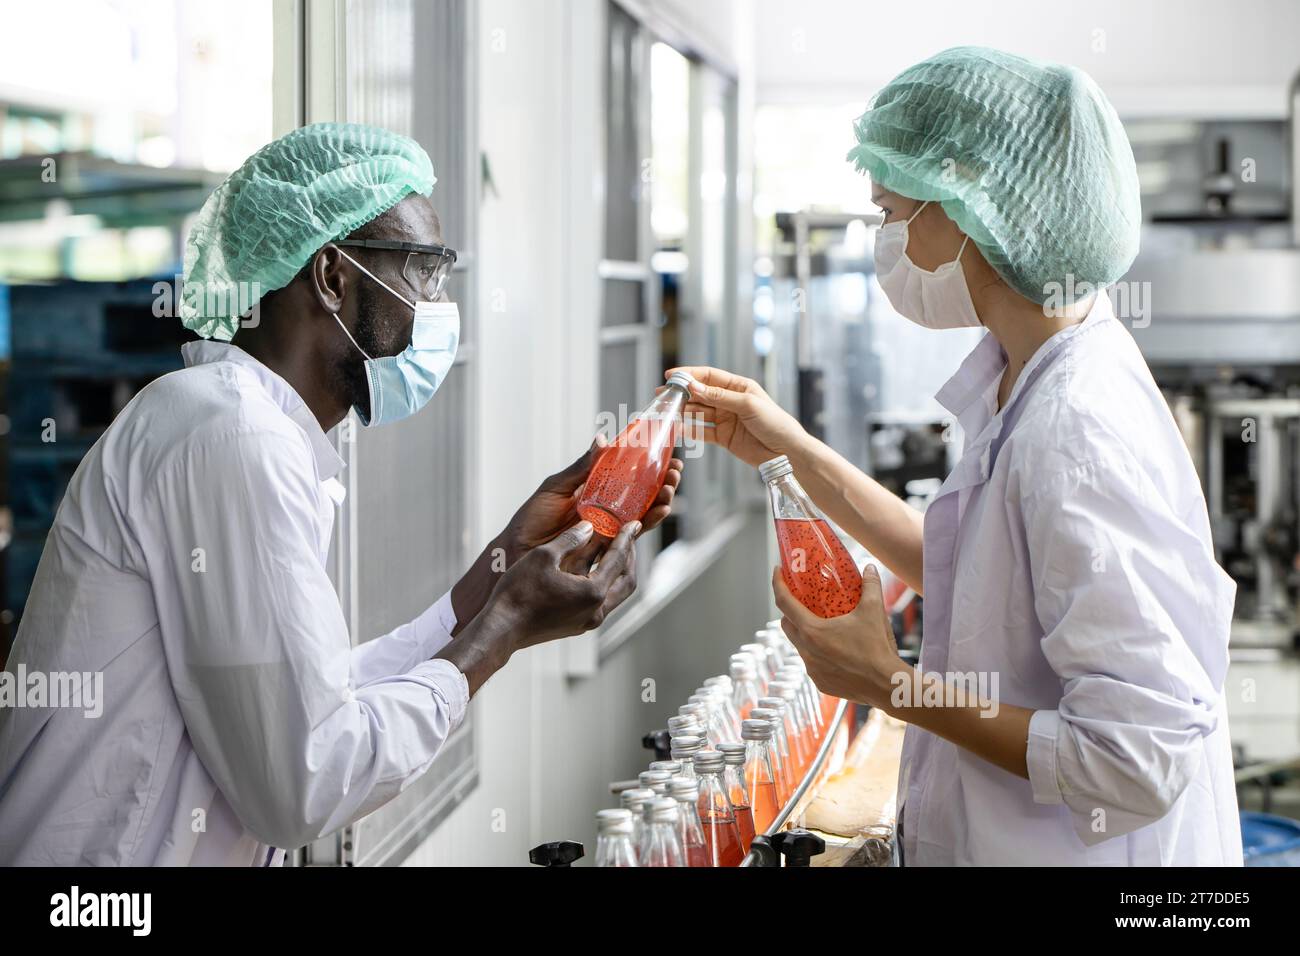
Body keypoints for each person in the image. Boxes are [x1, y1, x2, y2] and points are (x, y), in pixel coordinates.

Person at [0, 123, 682, 865]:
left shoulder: (238, 425)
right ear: (331, 276)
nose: (435, 307)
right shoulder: (232, 438)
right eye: (423, 271)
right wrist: (509, 624)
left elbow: (306, 704)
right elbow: (307, 782)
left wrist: (502, 565)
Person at [673, 47, 1241, 865]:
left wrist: (890, 685)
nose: (884, 243)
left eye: (892, 214)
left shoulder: (1077, 429)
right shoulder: (1031, 372)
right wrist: (790, 451)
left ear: (972, 209)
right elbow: (978, 581)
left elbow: (1135, 758)